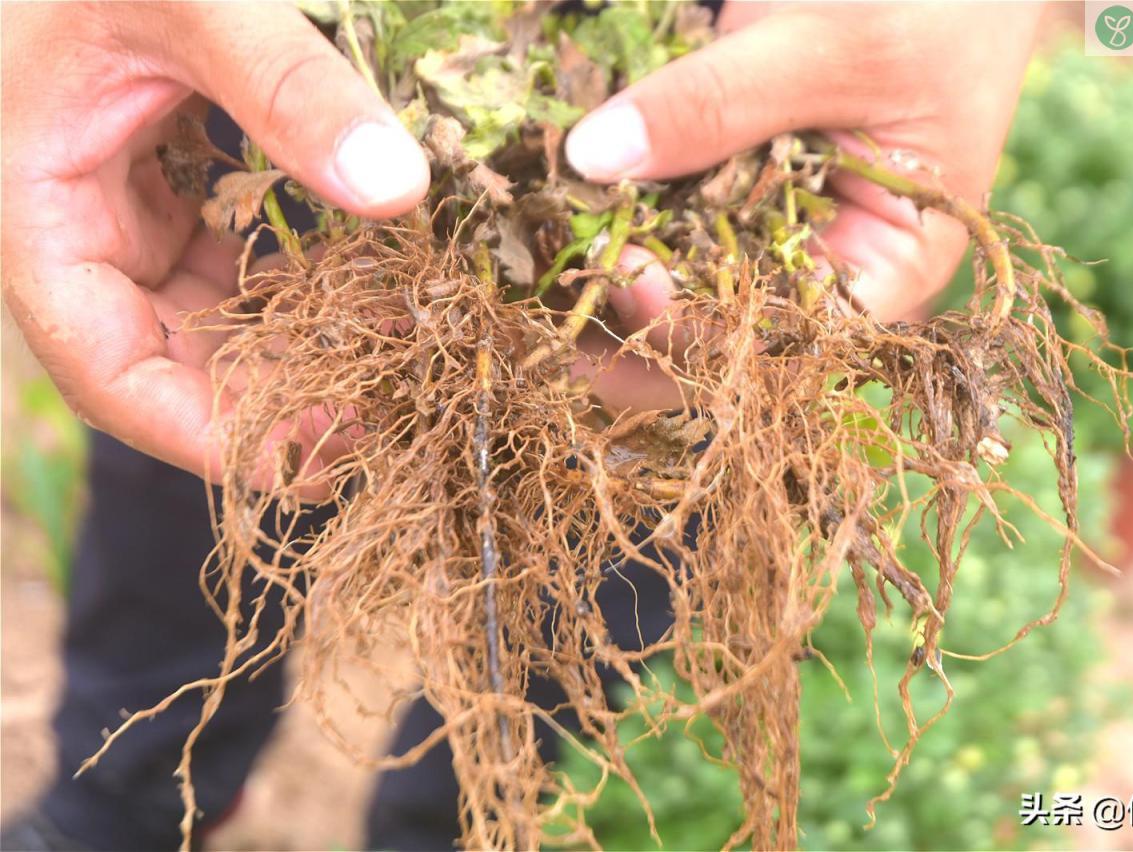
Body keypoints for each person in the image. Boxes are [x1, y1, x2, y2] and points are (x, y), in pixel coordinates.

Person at [0, 2, 1042, 849]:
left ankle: (457, 826)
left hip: (746, 91)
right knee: (222, 421)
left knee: (611, 519)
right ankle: (124, 801)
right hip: (295, 65)